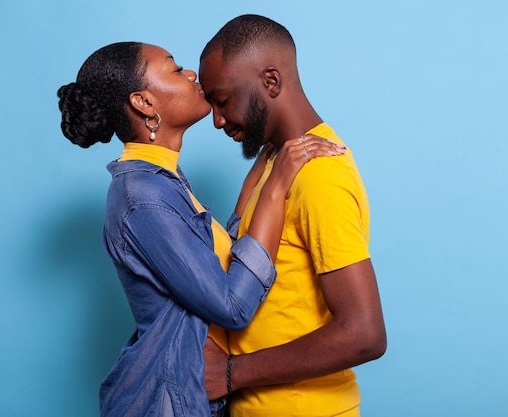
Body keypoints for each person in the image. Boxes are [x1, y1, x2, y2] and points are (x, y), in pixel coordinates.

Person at [56, 42, 345, 417]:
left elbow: (211, 266)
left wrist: (257, 178)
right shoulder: (143, 198)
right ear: (144, 103)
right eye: (175, 69)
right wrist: (276, 188)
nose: (191, 75)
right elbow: (232, 304)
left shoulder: (162, 180)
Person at [198, 15, 387, 417]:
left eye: (222, 99)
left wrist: (231, 372)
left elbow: (366, 333)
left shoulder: (318, 174)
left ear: (271, 82)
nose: (216, 120)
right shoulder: (276, 164)